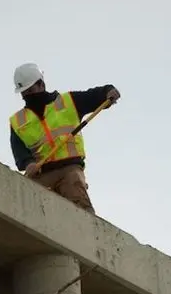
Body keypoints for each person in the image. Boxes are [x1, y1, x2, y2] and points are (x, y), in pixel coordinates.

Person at [9, 63, 120, 213]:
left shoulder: (67, 102)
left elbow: (94, 96)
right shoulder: (18, 120)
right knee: (31, 212)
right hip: (41, 174)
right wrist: (28, 163)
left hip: (69, 169)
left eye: (30, 90)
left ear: (41, 84)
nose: (28, 95)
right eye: (24, 93)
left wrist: (108, 92)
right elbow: (19, 150)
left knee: (81, 213)